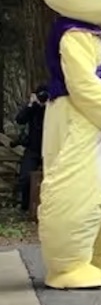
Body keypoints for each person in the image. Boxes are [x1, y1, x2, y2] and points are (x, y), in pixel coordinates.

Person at [14, 84, 47, 212]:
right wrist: (31, 105)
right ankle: (26, 207)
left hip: (50, 150)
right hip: (33, 149)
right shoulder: (33, 108)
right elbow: (20, 120)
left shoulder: (53, 109)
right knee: (25, 177)